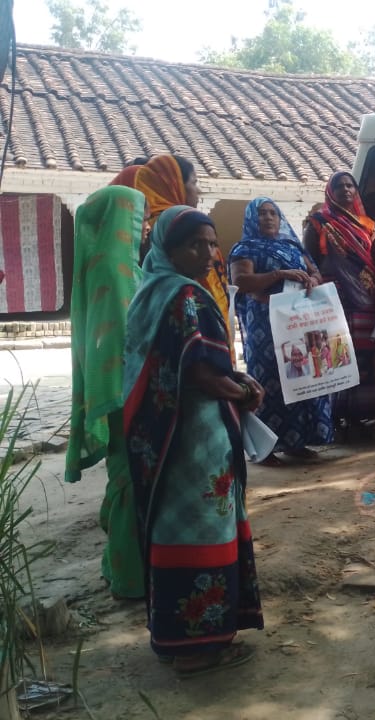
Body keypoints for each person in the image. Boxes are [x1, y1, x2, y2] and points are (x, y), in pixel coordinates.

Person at [122, 206, 264, 676]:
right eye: (194, 245)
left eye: (211, 243)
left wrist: (236, 379)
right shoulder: (184, 294)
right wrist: (242, 392)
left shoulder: (150, 290)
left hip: (162, 435)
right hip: (194, 439)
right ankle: (198, 648)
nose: (207, 253)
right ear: (169, 248)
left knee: (173, 529)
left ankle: (175, 638)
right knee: (205, 528)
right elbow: (200, 371)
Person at [65, 186, 148, 600]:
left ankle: (119, 565)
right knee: (132, 481)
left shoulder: (105, 265)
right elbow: (125, 340)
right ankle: (130, 579)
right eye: (138, 216)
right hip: (125, 393)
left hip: (118, 391)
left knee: (125, 479)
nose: (144, 226)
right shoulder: (117, 273)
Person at [229, 197, 332, 467]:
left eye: (272, 213)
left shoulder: (291, 245)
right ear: (252, 219)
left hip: (299, 319)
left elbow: (315, 272)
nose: (268, 217)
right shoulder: (245, 248)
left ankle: (297, 443)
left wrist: (311, 280)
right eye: (261, 213)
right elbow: (241, 281)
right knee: (270, 379)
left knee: (300, 375)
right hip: (265, 324)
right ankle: (265, 449)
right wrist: (279, 275)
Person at [112, 154, 231, 336]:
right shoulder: (179, 226)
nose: (198, 191)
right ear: (174, 184)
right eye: (194, 182)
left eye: (212, 244)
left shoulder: (139, 225)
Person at [304, 172, 375, 434]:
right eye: (340, 186)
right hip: (332, 297)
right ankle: (332, 415)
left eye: (350, 185)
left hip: (365, 298)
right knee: (334, 353)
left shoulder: (368, 225)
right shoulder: (318, 223)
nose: (346, 190)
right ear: (331, 191)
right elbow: (309, 261)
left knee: (362, 354)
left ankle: (358, 415)